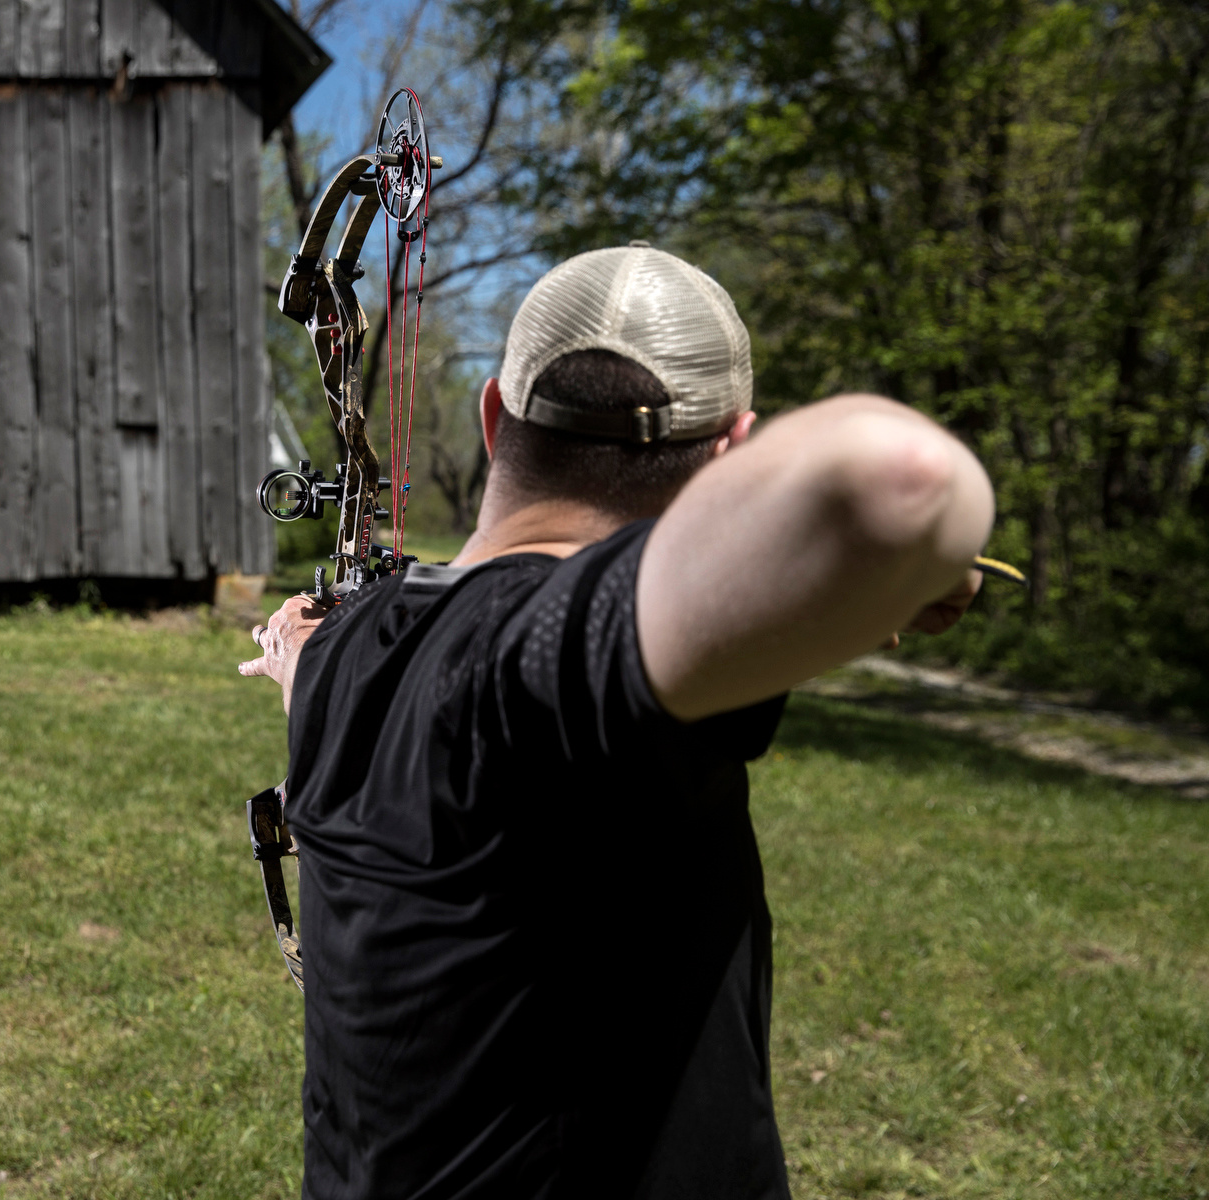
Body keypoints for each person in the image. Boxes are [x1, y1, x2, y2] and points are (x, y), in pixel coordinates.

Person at [239, 244, 995, 1199]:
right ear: (729, 452)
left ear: (491, 416)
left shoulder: (349, 654)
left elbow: (309, 657)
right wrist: (933, 565)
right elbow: (904, 484)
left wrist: (292, 644)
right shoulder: (546, 663)